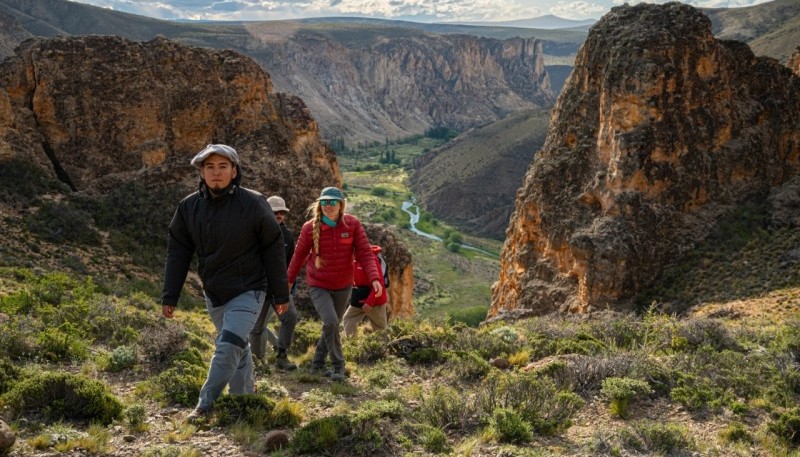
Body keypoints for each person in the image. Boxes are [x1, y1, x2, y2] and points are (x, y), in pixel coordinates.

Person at [160, 144, 290, 424]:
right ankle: (244, 403)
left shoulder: (254, 204)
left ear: (234, 170)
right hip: (214, 293)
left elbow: (273, 248)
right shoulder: (188, 207)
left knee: (228, 343)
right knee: (238, 346)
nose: (216, 173)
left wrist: (281, 294)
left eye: (222, 167)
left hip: (250, 289)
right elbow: (178, 252)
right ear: (202, 173)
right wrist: (170, 295)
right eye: (210, 167)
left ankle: (205, 405)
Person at [287, 186, 383, 382]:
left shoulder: (352, 224)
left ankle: (317, 364)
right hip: (318, 284)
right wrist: (288, 281)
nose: (328, 205)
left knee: (331, 325)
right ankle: (339, 366)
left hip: (343, 284)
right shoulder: (309, 228)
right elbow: (298, 257)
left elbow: (365, 253)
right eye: (324, 202)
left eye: (332, 202)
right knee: (331, 321)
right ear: (319, 204)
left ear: (341, 205)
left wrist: (374, 279)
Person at [250, 195, 298, 371]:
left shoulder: (287, 236)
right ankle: (257, 363)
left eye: (282, 212)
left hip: (279, 289)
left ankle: (281, 357)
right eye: (275, 212)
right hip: (259, 289)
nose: (279, 215)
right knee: (256, 327)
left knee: (291, 317)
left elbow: (290, 264)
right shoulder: (254, 233)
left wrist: (289, 289)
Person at [342, 244, 389, 337]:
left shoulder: (372, 260)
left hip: (376, 301)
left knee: (380, 329)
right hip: (360, 298)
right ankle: (352, 345)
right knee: (348, 318)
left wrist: (370, 302)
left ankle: (384, 350)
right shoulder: (354, 259)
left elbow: (379, 283)